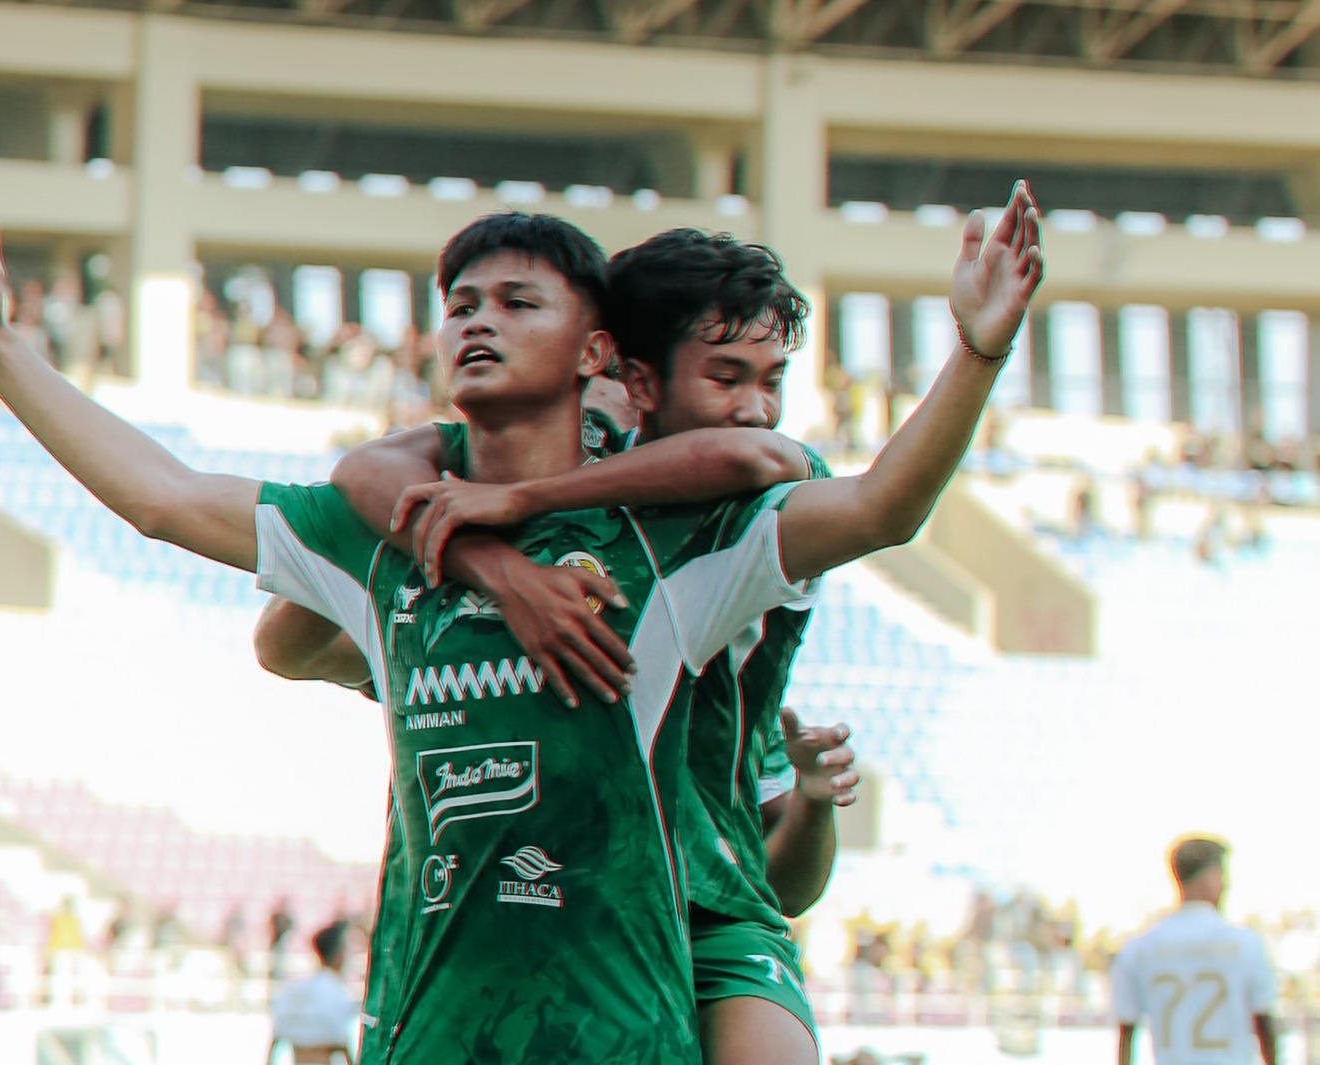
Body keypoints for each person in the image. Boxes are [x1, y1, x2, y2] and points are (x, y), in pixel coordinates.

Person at [0, 190, 1036, 1063]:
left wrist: (976, 350)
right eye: (459, 304)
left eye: (515, 302)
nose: (475, 321)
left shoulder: (685, 546)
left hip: (631, 1009)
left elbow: (873, 500)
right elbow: (171, 501)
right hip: (428, 1021)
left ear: (593, 356)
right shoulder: (389, 522)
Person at [279, 185, 1042, 1065]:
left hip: (705, 918)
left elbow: (781, 466)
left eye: (772, 380)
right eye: (726, 376)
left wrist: (818, 807)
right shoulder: (556, 491)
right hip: (556, 924)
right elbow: (339, 533)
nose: (757, 404)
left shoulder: (750, 515)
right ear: (630, 377)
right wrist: (400, 635)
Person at [1112, 838, 1278, 1065]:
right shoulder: (1246, 944)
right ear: (1209, 876)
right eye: (1222, 874)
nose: (1225, 884)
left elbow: (1127, 1034)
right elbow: (1264, 1025)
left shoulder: (1139, 950)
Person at [267, 920, 360, 1064]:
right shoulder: (336, 993)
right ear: (339, 954)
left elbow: (276, 1041)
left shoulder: (294, 989)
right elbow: (342, 1045)